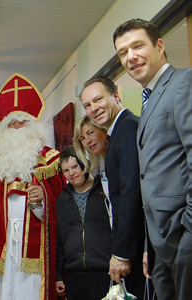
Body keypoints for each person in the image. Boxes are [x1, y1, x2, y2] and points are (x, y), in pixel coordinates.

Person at [113, 18, 192, 300]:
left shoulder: (185, 82)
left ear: (159, 46)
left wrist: (188, 238)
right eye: (123, 52)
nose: (130, 57)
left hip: (183, 239)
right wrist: (151, 245)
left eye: (137, 46)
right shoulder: (148, 100)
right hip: (160, 244)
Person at [0, 111, 65, 300]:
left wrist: (44, 199)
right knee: (2, 290)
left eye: (22, 122)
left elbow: (61, 202)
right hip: (2, 241)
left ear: (33, 127)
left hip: (34, 241)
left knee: (30, 289)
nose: (16, 126)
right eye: (11, 123)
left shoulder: (50, 160)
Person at [80, 76, 145, 299]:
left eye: (98, 100)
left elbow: (131, 193)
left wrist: (122, 252)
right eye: (87, 105)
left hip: (138, 246)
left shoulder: (128, 128)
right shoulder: (117, 133)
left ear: (115, 95)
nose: (93, 108)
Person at [55, 146, 112, 300]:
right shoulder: (62, 199)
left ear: (85, 164)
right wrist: (58, 275)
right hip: (74, 277)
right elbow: (60, 239)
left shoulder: (105, 190)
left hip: (105, 273)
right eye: (66, 170)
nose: (72, 173)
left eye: (75, 167)